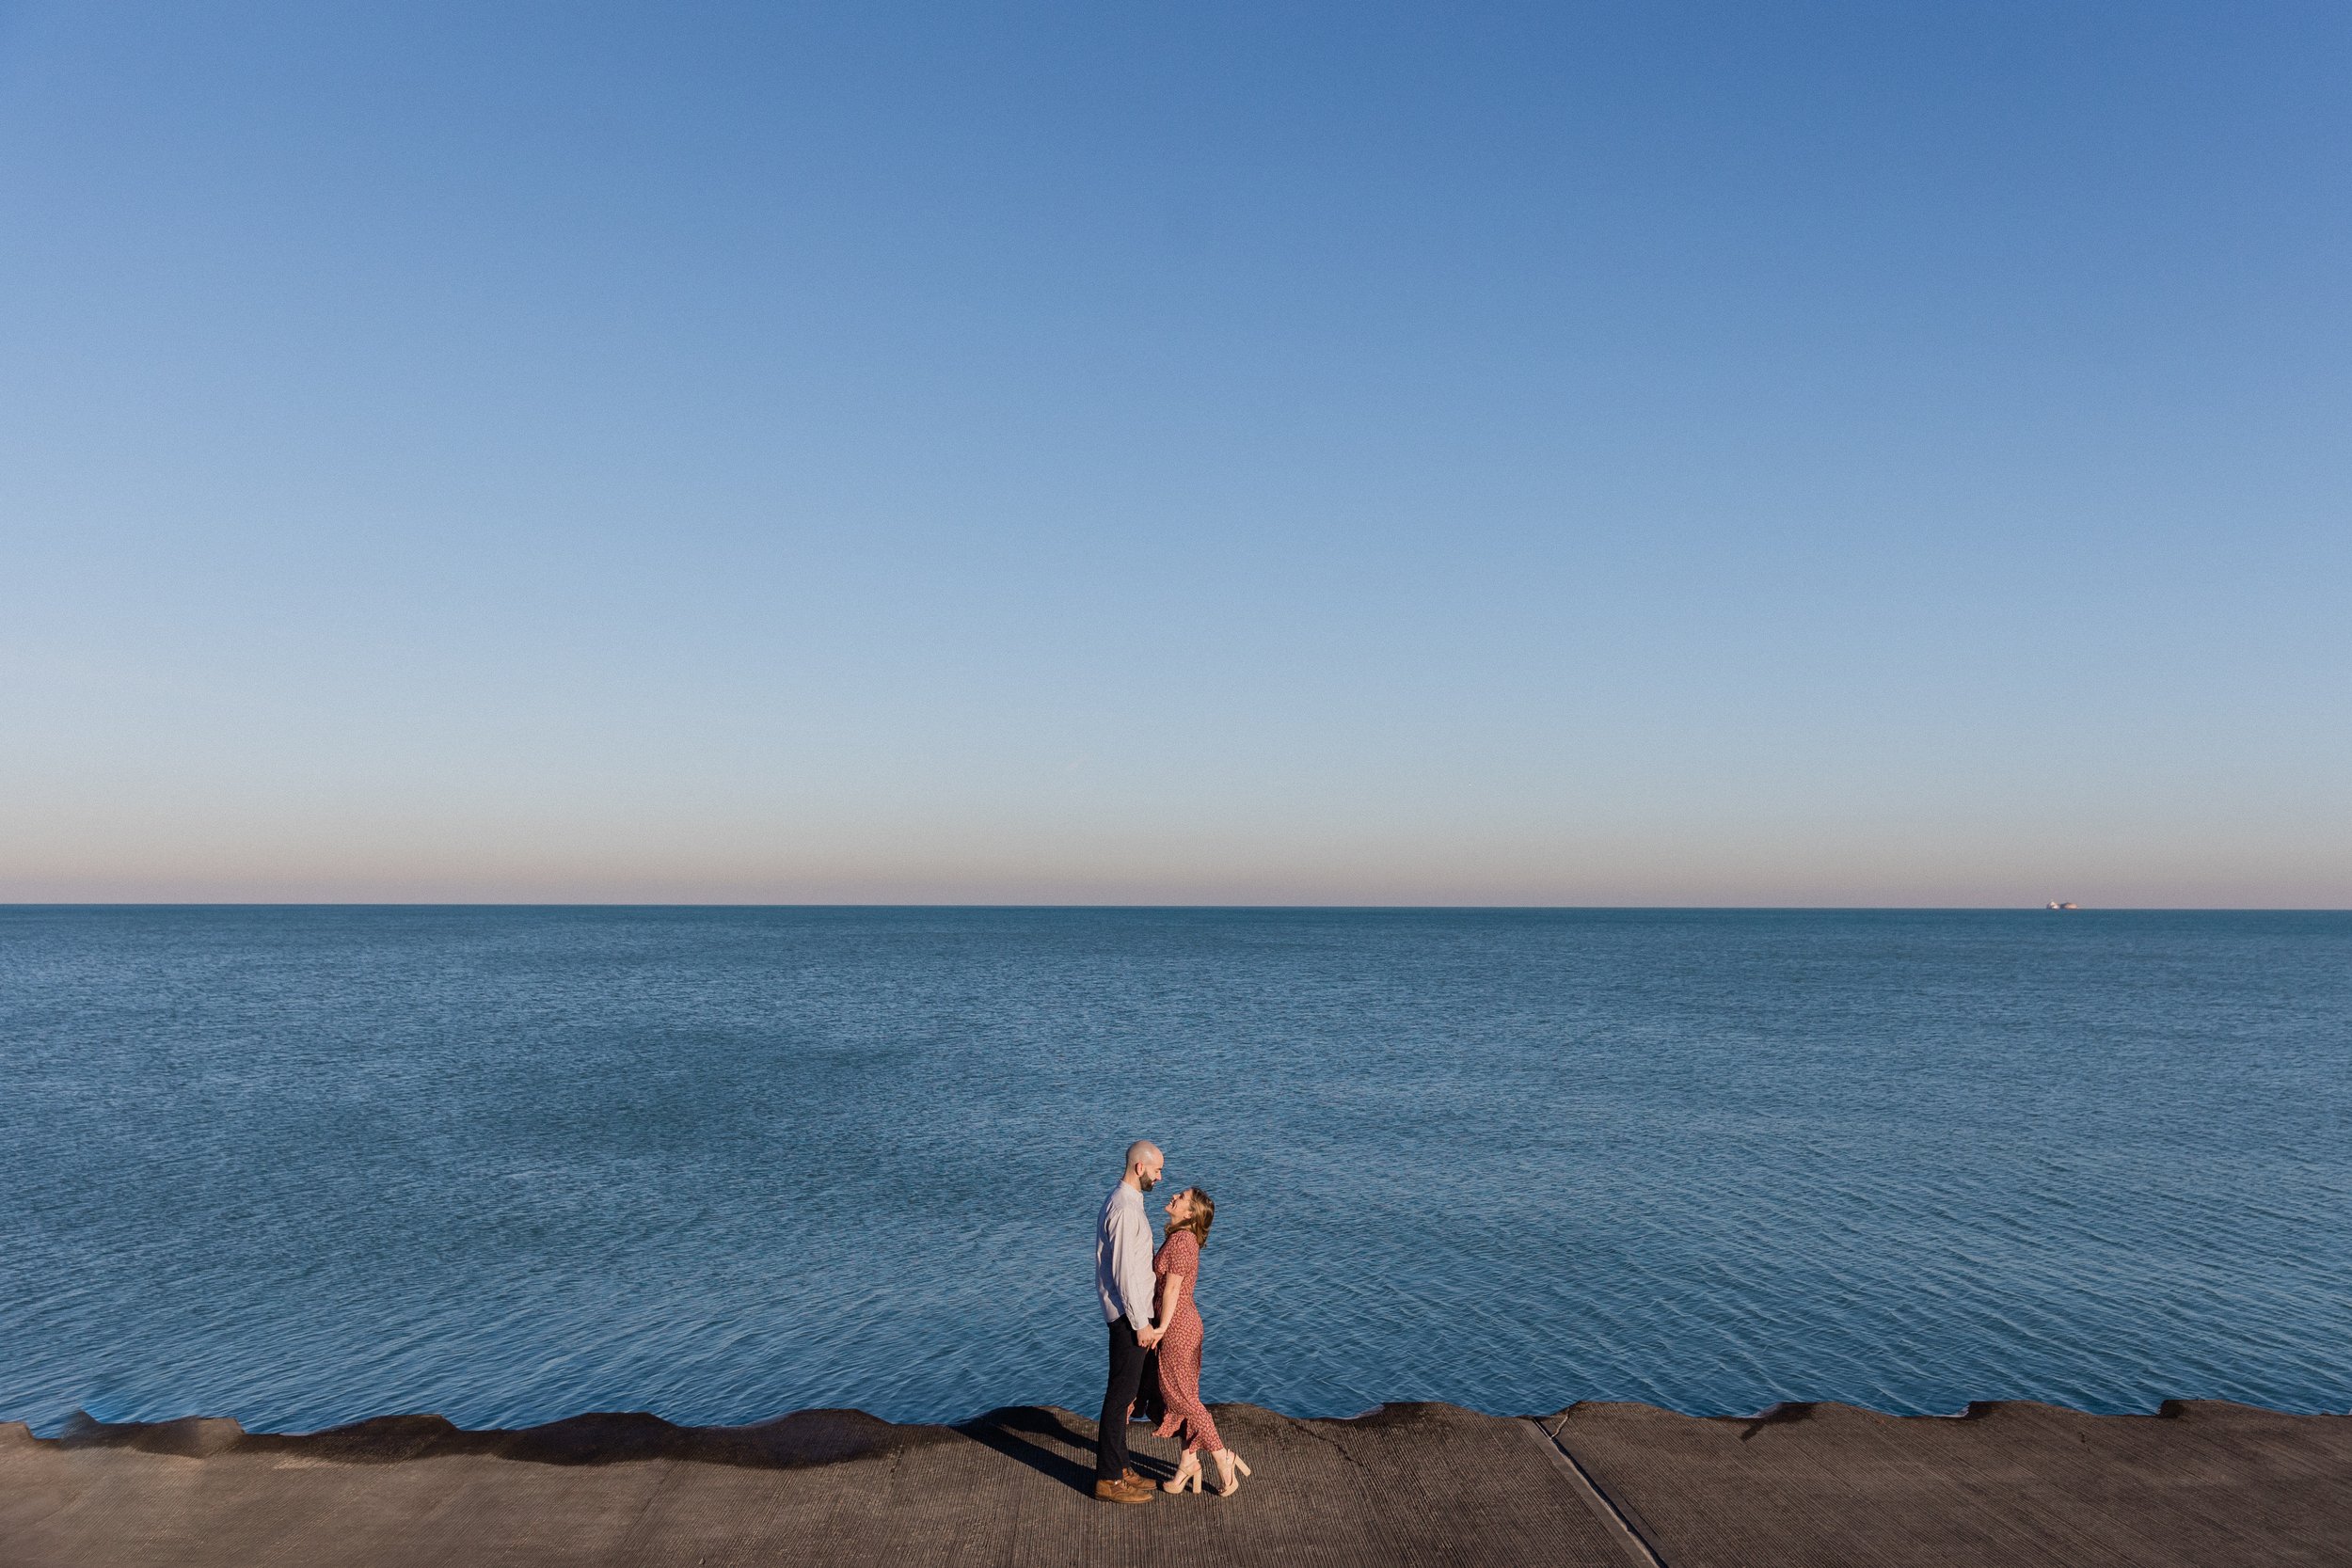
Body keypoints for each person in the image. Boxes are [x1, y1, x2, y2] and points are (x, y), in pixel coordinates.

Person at [1150, 1187, 1252, 1496]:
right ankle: (1187, 1464)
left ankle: (1224, 1458)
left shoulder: (1182, 1242)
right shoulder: (1180, 1237)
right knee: (1181, 1399)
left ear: (1189, 1213)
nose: (1173, 1197)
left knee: (1184, 1400)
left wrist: (1160, 1329)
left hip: (1178, 1329)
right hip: (1184, 1325)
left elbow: (1172, 1290)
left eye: (1180, 1197)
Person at [1092, 1139, 1165, 1503]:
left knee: (1127, 1394)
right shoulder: (1124, 1209)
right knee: (1119, 1396)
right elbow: (1123, 1273)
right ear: (1140, 1167)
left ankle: (1120, 1467)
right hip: (1127, 1317)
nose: (1160, 1177)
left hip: (1131, 1314)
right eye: (1157, 1170)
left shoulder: (1130, 1204)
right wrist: (1140, 1324)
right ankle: (1107, 1478)